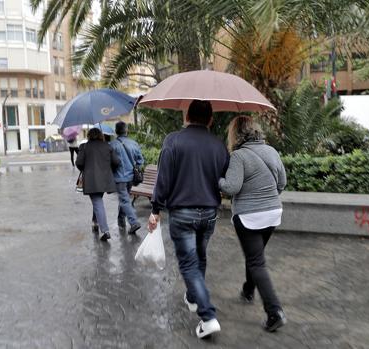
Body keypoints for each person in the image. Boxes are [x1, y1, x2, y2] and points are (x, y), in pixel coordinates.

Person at [148, 100, 229, 339]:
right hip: (209, 213)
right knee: (200, 257)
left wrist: (155, 209)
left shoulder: (173, 141)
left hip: (182, 213)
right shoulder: (219, 145)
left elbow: (163, 178)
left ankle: (208, 316)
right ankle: (193, 297)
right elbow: (224, 179)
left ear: (187, 115)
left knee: (189, 264)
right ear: (210, 120)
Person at [218, 116, 287, 332]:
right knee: (255, 255)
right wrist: (268, 199)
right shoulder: (271, 151)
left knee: (256, 261)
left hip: (249, 217)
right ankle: (248, 289)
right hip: (273, 213)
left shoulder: (238, 156)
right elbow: (282, 182)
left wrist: (216, 179)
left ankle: (274, 311)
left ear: (235, 134)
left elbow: (230, 188)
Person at [76, 128, 120, 241]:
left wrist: (86, 169)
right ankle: (95, 222)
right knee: (97, 200)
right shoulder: (107, 146)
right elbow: (116, 162)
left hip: (91, 180)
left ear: (89, 135)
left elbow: (79, 163)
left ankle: (105, 230)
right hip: (105, 179)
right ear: (101, 135)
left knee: (97, 201)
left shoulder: (84, 147)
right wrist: (108, 169)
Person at [109, 121, 144, 234]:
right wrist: (135, 168)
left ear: (116, 131)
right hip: (131, 178)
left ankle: (134, 222)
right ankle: (120, 220)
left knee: (124, 200)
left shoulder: (112, 145)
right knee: (124, 199)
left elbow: (110, 162)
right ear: (126, 131)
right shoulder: (133, 143)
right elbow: (140, 160)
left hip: (119, 178)